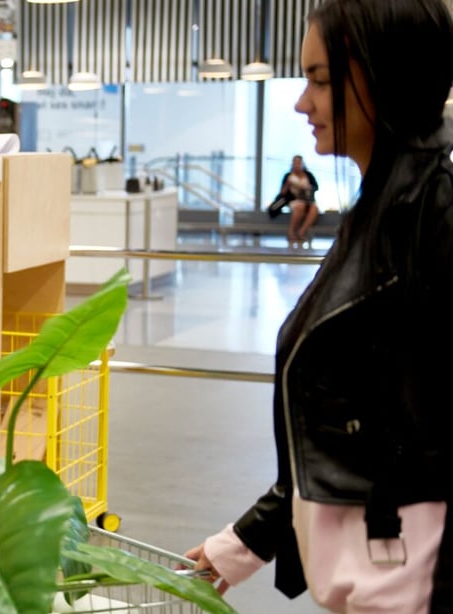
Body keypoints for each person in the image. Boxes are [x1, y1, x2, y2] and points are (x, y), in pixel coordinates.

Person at [186, 1, 453, 611]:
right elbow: (356, 426)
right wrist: (244, 542)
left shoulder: (433, 218)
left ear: (384, 75)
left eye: (321, 80)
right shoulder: (376, 210)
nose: (302, 103)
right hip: (370, 581)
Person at [272, 155, 321, 247]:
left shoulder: (308, 175)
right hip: (295, 200)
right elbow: (282, 192)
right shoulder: (288, 176)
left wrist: (307, 188)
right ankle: (291, 231)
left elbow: (316, 187)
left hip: (308, 200)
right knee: (300, 206)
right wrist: (289, 185)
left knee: (314, 209)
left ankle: (302, 231)